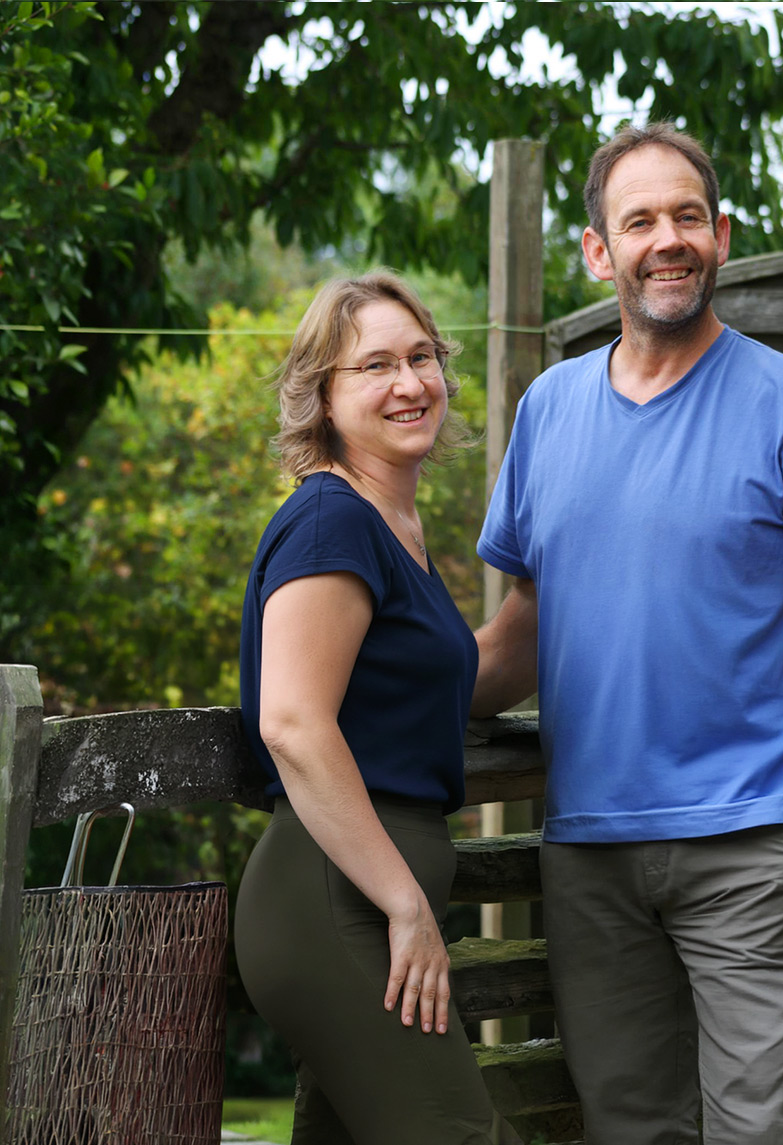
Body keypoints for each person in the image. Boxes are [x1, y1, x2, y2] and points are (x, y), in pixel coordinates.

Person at [473, 123, 783, 1145]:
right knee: (631, 1128)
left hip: (749, 841)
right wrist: (389, 693)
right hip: (590, 850)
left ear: (722, 235)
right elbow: (525, 624)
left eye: (688, 216)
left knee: (756, 1132)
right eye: (642, 219)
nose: (670, 239)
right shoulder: (548, 408)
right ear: (598, 251)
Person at [235, 271, 507, 1145]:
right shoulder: (333, 521)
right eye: (375, 365)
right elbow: (292, 722)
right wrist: (403, 901)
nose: (410, 383)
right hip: (337, 896)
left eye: (422, 357)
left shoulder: (394, 526)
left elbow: (434, 686)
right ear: (322, 395)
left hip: (366, 892)